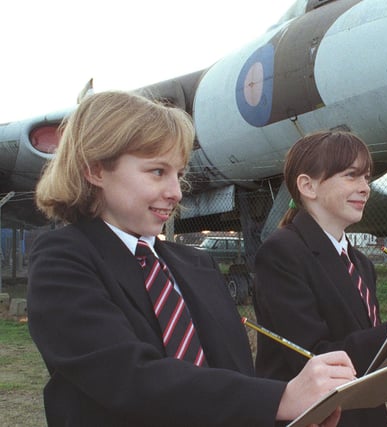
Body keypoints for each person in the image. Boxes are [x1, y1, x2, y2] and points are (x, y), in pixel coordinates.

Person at [27, 91, 357, 427]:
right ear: (96, 170)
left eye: (178, 174)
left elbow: (232, 371)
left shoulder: (196, 265)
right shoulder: (63, 261)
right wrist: (278, 399)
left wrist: (288, 416)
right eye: (157, 171)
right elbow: (126, 376)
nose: (176, 191)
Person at [252, 130, 387, 427]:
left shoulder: (360, 263)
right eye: (351, 176)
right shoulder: (282, 252)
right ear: (308, 186)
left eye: (366, 178)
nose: (365, 188)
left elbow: (362, 353)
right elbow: (312, 358)